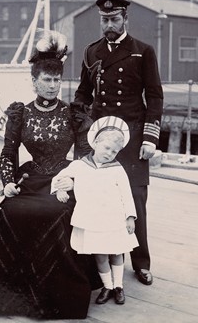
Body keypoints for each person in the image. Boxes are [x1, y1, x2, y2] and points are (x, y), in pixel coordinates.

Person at [0, 30, 101, 320]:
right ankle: (14, 298)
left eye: (57, 80)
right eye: (46, 80)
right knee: (11, 210)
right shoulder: (20, 114)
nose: (52, 86)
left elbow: (86, 157)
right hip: (30, 178)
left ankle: (58, 298)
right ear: (34, 81)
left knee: (57, 212)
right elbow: (8, 152)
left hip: (65, 178)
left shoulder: (73, 113)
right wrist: (8, 182)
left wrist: (73, 181)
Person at [73, 0, 164, 286]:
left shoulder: (142, 52)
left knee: (135, 200)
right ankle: (94, 265)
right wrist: (78, 121)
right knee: (93, 198)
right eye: (104, 19)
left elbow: (155, 95)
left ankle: (141, 262)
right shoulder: (91, 52)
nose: (108, 25)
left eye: (114, 19)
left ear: (125, 19)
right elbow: (83, 94)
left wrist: (150, 137)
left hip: (133, 136)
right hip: (99, 138)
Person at [51, 116, 138, 305]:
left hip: (114, 218)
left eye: (114, 151)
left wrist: (130, 217)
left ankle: (119, 286)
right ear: (96, 142)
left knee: (116, 252)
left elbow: (126, 193)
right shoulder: (80, 165)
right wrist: (60, 189)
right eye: (106, 148)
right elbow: (60, 177)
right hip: (91, 219)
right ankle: (107, 286)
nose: (109, 154)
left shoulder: (117, 169)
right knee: (100, 254)